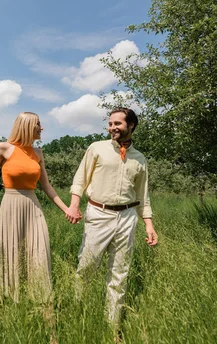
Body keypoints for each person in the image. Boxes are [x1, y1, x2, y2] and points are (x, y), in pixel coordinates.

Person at [0, 112, 81, 304]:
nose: (41, 128)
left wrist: (66, 208)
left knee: (40, 254)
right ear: (26, 126)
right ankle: (1, 308)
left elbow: (47, 186)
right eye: (38, 124)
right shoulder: (4, 148)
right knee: (9, 255)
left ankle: (43, 304)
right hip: (10, 207)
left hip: (33, 208)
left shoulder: (38, 153)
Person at [68, 107, 158, 326]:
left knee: (119, 275)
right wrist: (74, 205)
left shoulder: (139, 159)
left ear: (131, 125)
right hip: (98, 214)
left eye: (117, 124)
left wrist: (149, 224)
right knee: (86, 268)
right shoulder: (96, 148)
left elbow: (142, 195)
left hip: (127, 217)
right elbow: (81, 178)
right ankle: (77, 318)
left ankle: (113, 326)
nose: (112, 128)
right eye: (110, 124)